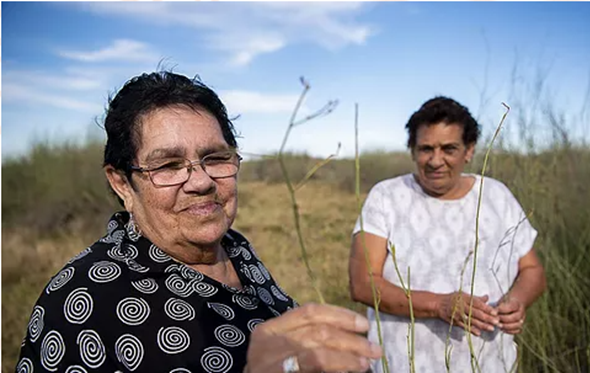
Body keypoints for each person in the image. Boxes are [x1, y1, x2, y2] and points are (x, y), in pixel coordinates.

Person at [16, 71, 382, 373]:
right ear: (121, 183)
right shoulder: (81, 303)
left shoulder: (237, 252)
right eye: (168, 166)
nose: (201, 180)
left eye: (215, 157)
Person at [349, 96, 547, 373]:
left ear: (469, 151)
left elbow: (531, 269)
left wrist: (518, 301)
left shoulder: (496, 196)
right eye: (426, 149)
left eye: (449, 149)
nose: (435, 160)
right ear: (412, 150)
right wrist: (439, 305)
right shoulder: (386, 197)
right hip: (403, 364)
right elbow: (362, 284)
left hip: (490, 365)